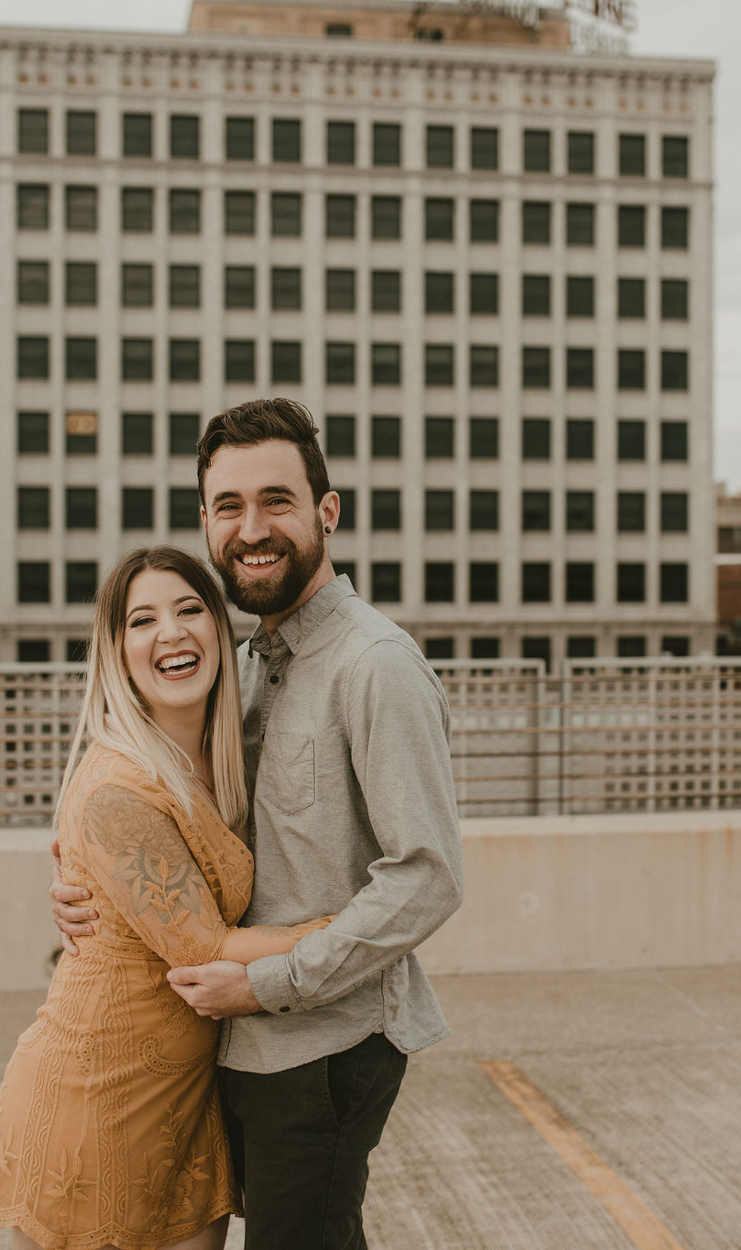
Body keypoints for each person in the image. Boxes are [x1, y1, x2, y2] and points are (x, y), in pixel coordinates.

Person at [52, 399, 465, 1250]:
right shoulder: (236, 669)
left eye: (276, 500)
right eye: (229, 507)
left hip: (322, 1043)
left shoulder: (375, 668)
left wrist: (269, 984)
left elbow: (427, 877)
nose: (253, 528)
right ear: (206, 523)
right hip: (228, 1043)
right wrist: (85, 880)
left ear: (326, 511)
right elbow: (151, 806)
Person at [0, 545, 336, 1250]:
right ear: (117, 653)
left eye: (189, 609)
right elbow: (203, 947)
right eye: (142, 620)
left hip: (185, 1098)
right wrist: (355, 929)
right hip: (98, 1096)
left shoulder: (218, 755)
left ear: (217, 630)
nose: (169, 632)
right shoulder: (117, 787)